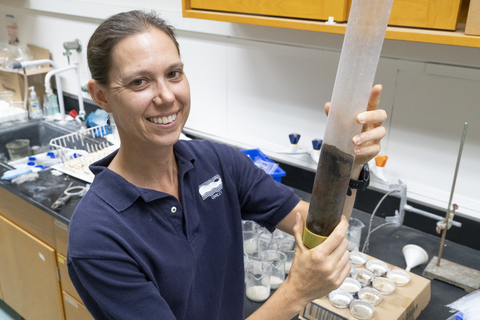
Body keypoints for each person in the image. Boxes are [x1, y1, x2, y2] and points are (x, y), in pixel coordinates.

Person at [67, 10, 387, 320]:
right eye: (139, 82)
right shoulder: (97, 237)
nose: (166, 96)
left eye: (173, 74)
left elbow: (320, 231)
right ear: (101, 95)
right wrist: (295, 293)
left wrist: (348, 161)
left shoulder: (218, 164)